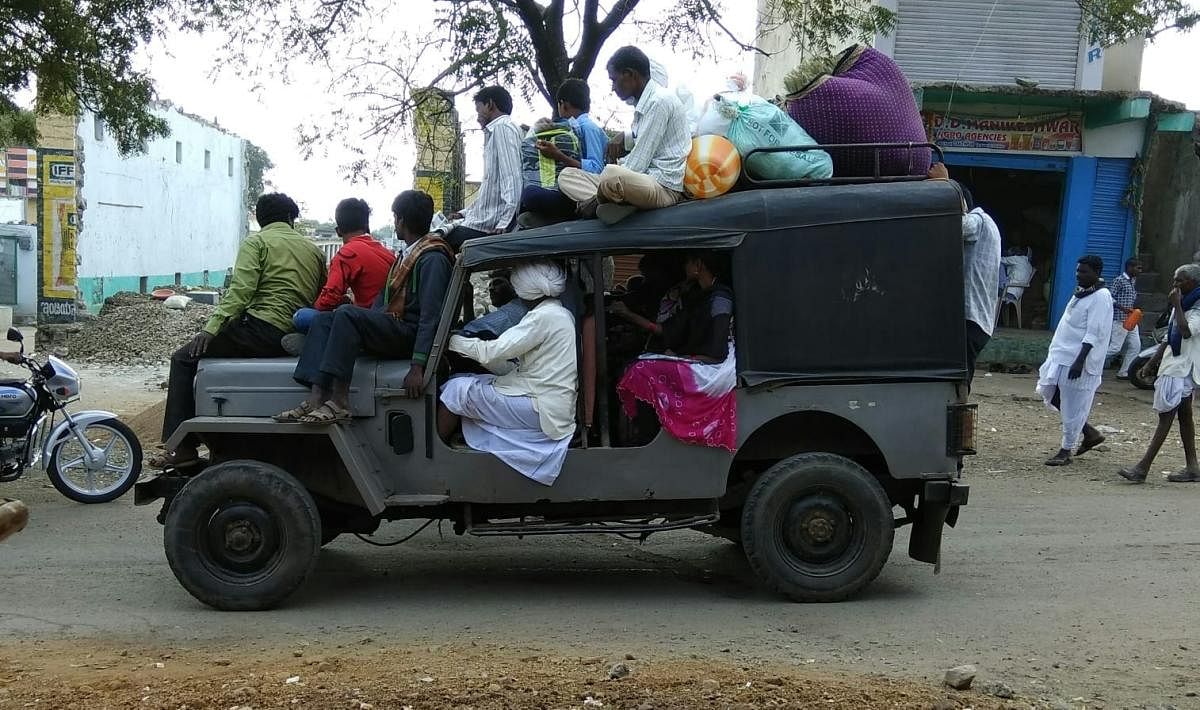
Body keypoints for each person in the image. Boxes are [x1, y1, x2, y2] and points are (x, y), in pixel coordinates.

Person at [155, 193, 326, 469]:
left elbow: (240, 292)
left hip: (259, 328)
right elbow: (321, 297)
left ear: (260, 219)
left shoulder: (256, 242)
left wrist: (210, 330)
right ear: (291, 219)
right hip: (291, 329)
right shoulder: (314, 251)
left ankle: (182, 447)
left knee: (184, 358)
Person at [276, 190, 453, 423]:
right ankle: (317, 397)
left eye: (394, 217)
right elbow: (380, 303)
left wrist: (418, 365)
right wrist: (360, 325)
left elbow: (431, 316)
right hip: (394, 325)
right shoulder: (405, 256)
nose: (394, 223)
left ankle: (340, 401)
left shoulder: (431, 257)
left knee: (345, 314)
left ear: (401, 220)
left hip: (408, 332)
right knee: (324, 318)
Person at [438, 261, 578, 486]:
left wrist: (451, 341)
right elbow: (511, 362)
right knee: (463, 381)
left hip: (542, 407)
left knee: (456, 390)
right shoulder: (557, 312)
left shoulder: (543, 317)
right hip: (547, 401)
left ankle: (435, 459)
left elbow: (492, 352)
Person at [615, 252, 736, 450]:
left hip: (716, 365)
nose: (684, 266)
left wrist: (683, 357)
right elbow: (670, 330)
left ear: (699, 264)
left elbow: (716, 350)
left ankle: (646, 437)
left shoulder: (720, 299)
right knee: (637, 363)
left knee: (641, 370)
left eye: (688, 261)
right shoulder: (697, 296)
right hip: (701, 357)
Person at [558, 46, 691, 225]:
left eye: (614, 80)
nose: (613, 88)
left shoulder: (659, 101)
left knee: (612, 174)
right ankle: (620, 203)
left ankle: (607, 202)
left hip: (663, 187)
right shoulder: (643, 104)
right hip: (638, 182)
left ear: (630, 74)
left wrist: (596, 198)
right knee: (566, 176)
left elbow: (637, 164)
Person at [1119, 264, 1200, 483]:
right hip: (1173, 364)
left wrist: (1177, 305)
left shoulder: (1194, 305)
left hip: (1182, 368)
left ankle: (1142, 469)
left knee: (1166, 417)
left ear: (1193, 282)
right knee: (1184, 418)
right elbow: (1168, 335)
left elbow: (1185, 331)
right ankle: (1193, 468)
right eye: (1175, 280)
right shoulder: (1182, 303)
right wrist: (1151, 363)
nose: (1175, 285)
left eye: (1180, 281)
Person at [928, 164, 1002, 388]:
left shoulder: (979, 220)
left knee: (956, 383)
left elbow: (955, 224)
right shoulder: (982, 224)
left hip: (971, 319)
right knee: (953, 380)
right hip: (972, 320)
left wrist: (943, 184)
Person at [1036, 255, 1114, 467]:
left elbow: (1094, 333)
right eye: (1078, 271)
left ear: (1096, 273)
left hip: (1079, 361)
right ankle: (1090, 433)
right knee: (1053, 396)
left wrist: (1079, 362)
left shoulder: (1101, 297)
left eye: (1084, 271)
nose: (1079, 275)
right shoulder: (1083, 293)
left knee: (1074, 405)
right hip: (1062, 355)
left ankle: (1066, 450)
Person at [291, 198, 396, 335]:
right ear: (366, 226)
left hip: (367, 324)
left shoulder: (347, 253)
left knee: (301, 316)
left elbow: (329, 298)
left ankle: (315, 340)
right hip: (387, 322)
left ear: (338, 231)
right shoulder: (386, 252)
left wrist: (314, 307)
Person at [517, 79, 611, 227]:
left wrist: (559, 156)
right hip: (567, 190)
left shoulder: (587, 127)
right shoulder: (570, 128)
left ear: (563, 104)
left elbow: (596, 169)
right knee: (529, 197)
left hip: (583, 190)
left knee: (531, 195)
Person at [444, 86, 524, 248]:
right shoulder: (501, 131)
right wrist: (463, 213)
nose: (477, 117)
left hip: (489, 225)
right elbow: (490, 193)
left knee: (435, 243)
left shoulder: (502, 128)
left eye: (478, 109)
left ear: (490, 104)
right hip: (484, 220)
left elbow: (512, 178)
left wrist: (504, 223)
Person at [459, 274, 529, 340]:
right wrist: (468, 301)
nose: (491, 288)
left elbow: (471, 331)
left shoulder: (515, 309)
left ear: (513, 286)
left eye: (497, 283)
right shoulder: (510, 310)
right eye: (490, 285)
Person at [1106, 258, 1143, 380]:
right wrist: (1123, 309)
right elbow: (1109, 298)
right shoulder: (1119, 280)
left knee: (1135, 346)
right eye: (1138, 268)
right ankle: (1088, 362)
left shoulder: (1133, 281)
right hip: (1119, 319)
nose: (1140, 270)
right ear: (1129, 268)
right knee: (1115, 348)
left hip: (1131, 319)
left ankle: (1125, 372)